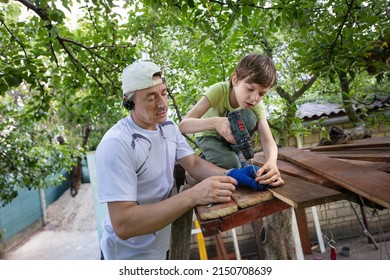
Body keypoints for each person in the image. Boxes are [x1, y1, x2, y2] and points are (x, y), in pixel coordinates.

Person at [95, 60, 265, 260]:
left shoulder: (167, 127)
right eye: (151, 97)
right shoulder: (117, 144)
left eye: (164, 93)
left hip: (165, 246)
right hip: (129, 256)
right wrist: (194, 195)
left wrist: (233, 174)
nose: (162, 104)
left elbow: (193, 163)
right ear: (129, 101)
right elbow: (123, 224)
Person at [179, 53, 284, 187]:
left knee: (250, 117)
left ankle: (235, 157)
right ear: (235, 79)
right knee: (232, 165)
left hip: (232, 141)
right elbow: (183, 126)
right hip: (209, 138)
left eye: (261, 93)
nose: (254, 98)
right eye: (250, 89)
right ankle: (214, 158)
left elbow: (267, 139)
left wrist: (271, 162)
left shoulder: (256, 103)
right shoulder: (219, 90)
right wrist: (215, 122)